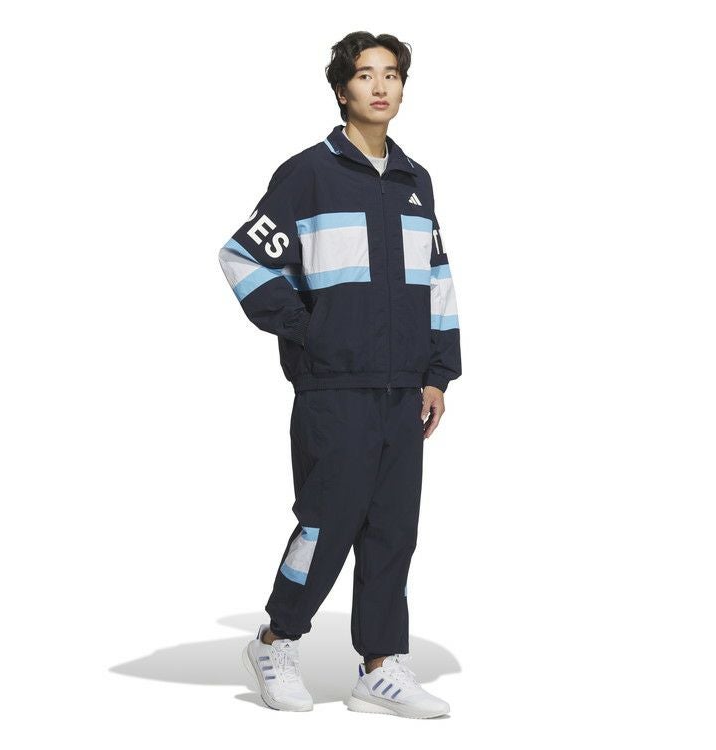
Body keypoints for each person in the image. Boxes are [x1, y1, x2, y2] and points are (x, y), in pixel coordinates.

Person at [218, 31, 461, 718]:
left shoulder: (415, 182)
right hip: (335, 386)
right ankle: (276, 640)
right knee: (327, 523)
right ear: (341, 89)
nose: (380, 87)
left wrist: (438, 373)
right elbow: (242, 258)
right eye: (364, 75)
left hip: (402, 386)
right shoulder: (309, 174)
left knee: (393, 530)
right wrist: (309, 329)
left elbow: (437, 278)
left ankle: (380, 667)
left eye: (392, 75)